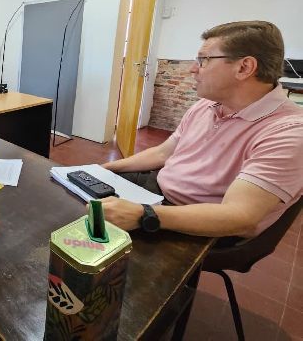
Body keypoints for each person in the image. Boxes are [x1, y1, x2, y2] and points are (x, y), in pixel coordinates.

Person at [98, 20, 303, 240]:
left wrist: (143, 214)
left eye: (203, 60)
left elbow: (239, 217)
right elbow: (163, 153)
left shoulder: (288, 132)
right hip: (159, 191)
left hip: (198, 221)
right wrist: (105, 168)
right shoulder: (207, 105)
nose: (193, 69)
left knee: (97, 237)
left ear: (244, 67)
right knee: (83, 192)